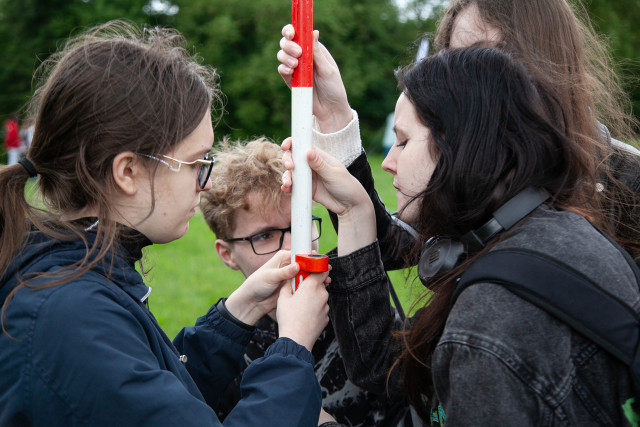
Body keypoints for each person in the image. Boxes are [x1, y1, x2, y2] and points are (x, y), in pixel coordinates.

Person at [281, 46, 640, 425]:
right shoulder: (553, 233)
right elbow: (393, 365)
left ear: (458, 147)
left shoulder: (488, 322)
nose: (387, 162)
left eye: (403, 142)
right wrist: (353, 212)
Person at [0, 20, 332, 426]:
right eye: (196, 163)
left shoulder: (81, 274)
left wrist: (239, 311)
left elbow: (154, 398)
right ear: (128, 172)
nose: (203, 184)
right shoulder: (69, 316)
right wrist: (293, 347)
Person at [276, 0, 640, 267]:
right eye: (452, 59)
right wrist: (334, 115)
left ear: (543, 58)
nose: (463, 79)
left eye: (484, 58)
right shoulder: (471, 165)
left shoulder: (629, 180)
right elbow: (391, 245)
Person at [199, 136, 413, 427]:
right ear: (228, 254)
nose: (293, 248)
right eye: (264, 236)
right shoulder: (223, 356)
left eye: (300, 224)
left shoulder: (359, 300)